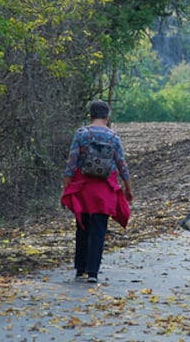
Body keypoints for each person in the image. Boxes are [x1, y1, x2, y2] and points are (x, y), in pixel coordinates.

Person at [60, 100, 133, 283]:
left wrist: (66, 188)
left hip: (83, 188)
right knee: (99, 229)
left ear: (90, 115)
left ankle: (80, 269)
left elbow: (72, 163)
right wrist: (127, 188)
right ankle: (93, 272)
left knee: (82, 227)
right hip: (103, 190)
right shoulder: (113, 137)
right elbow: (121, 164)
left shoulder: (81, 134)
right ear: (108, 117)